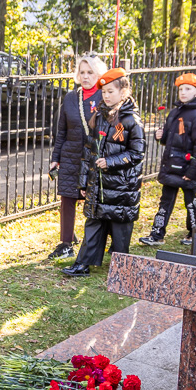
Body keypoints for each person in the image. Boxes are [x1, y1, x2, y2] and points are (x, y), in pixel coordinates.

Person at [62, 68, 145, 276]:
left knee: (120, 229)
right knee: (93, 223)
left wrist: (110, 162)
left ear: (123, 91)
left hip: (121, 187)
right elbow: (88, 151)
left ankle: (121, 268)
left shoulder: (131, 120)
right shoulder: (99, 116)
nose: (106, 96)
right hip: (98, 185)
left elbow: (137, 153)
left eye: (110, 91)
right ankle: (83, 264)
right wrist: (83, 183)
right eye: (104, 92)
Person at [48, 54, 107, 259]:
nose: (85, 76)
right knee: (67, 197)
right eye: (82, 72)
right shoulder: (71, 97)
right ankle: (65, 243)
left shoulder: (104, 96)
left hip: (94, 156)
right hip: (71, 155)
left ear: (99, 74)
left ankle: (95, 242)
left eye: (90, 72)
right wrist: (56, 157)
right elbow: (61, 131)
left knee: (94, 199)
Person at [140, 73, 196, 246]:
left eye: (188, 89)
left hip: (188, 168)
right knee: (165, 201)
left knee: (191, 202)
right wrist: (160, 137)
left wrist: (193, 171)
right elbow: (169, 140)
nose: (183, 92)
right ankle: (157, 234)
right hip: (171, 166)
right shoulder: (175, 111)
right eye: (180, 89)